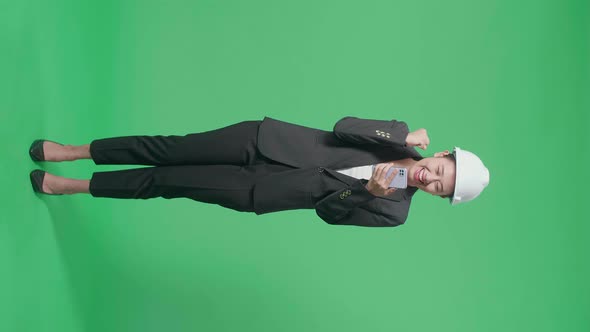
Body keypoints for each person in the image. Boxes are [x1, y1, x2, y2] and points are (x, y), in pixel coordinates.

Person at [29, 116, 490, 227]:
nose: (431, 179)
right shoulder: (399, 136)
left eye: (439, 188)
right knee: (172, 150)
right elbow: (343, 128)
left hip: (262, 189)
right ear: (442, 155)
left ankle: (73, 186)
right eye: (440, 170)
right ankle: (72, 151)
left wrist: (368, 191)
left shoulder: (393, 212)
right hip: (264, 141)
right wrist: (398, 138)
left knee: (165, 181)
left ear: (436, 196)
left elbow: (329, 213)